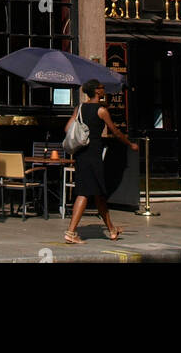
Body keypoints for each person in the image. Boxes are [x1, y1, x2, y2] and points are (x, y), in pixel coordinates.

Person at [63, 79, 138, 243]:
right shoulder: (102, 110)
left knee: (98, 194)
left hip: (81, 154)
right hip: (93, 155)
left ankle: (111, 230)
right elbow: (115, 132)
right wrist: (130, 144)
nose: (104, 90)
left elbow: (67, 128)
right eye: (102, 88)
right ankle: (70, 232)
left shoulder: (80, 108)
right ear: (97, 91)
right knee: (84, 192)